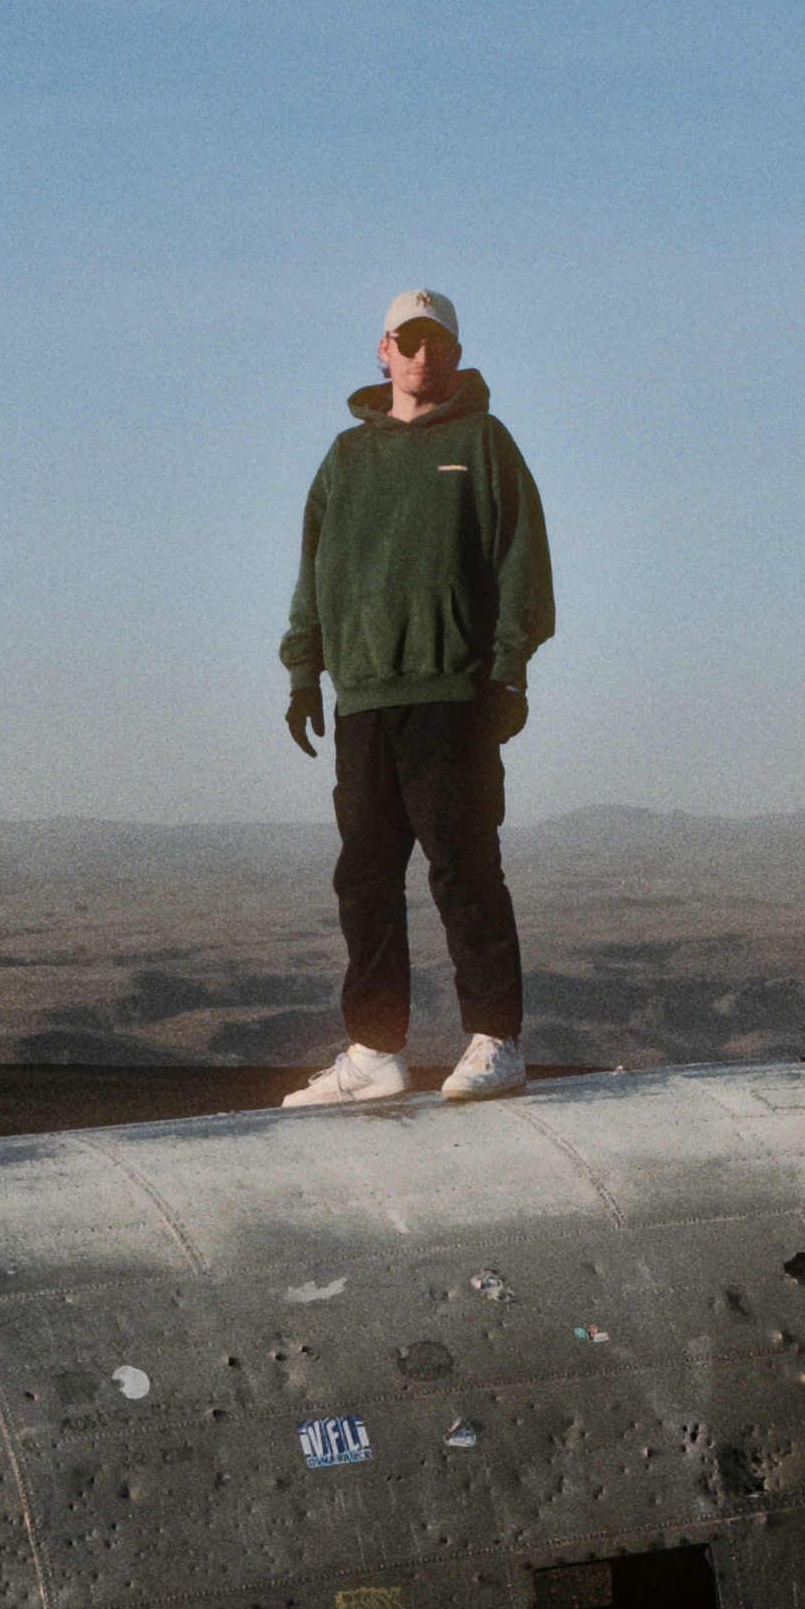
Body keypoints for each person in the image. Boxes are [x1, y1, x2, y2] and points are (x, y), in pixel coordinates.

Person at [278, 288, 552, 1105]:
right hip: (362, 697)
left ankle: (497, 1040)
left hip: (451, 691)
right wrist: (303, 671)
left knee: (463, 866)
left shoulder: (485, 442)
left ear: (456, 354)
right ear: (383, 349)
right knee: (363, 875)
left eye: (438, 343)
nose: (423, 356)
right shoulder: (344, 457)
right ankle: (374, 1051)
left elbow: (522, 563)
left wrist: (508, 669)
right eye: (409, 341)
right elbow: (312, 573)